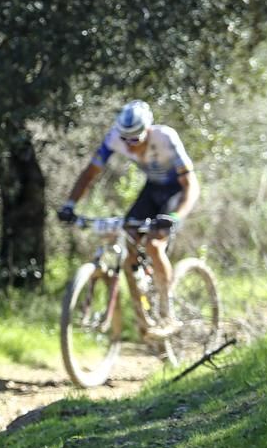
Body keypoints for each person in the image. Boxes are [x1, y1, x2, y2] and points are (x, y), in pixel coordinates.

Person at [57, 100, 199, 335]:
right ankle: (143, 309)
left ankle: (167, 310)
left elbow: (190, 185)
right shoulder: (115, 138)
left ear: (148, 131)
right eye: (125, 139)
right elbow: (90, 173)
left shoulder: (165, 138)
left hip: (176, 192)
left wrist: (175, 216)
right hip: (152, 190)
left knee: (154, 244)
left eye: (135, 139)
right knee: (127, 237)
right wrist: (70, 205)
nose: (130, 146)